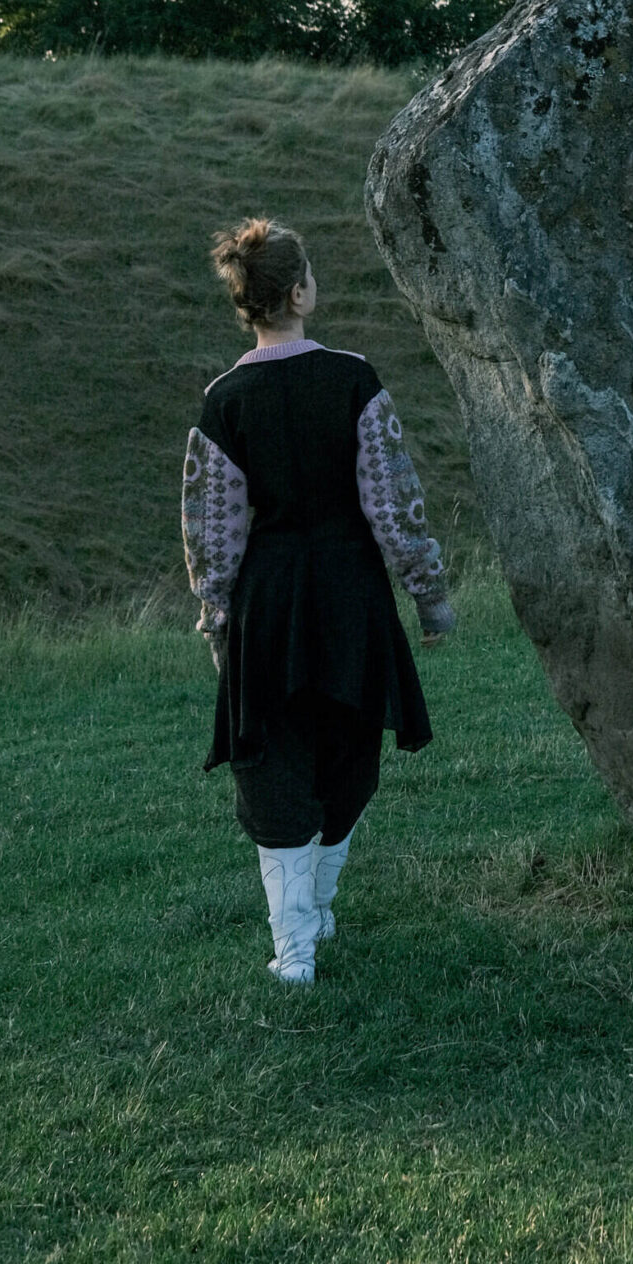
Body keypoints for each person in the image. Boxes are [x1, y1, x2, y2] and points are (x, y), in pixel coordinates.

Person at [182, 217, 457, 983]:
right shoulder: (353, 380)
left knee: (274, 764)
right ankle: (309, 927)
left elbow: (210, 531)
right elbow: (393, 502)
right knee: (347, 757)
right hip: (350, 597)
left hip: (269, 605)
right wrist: (429, 596)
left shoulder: (224, 400)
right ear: (300, 292)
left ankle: (297, 946)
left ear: (246, 302)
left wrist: (217, 622)